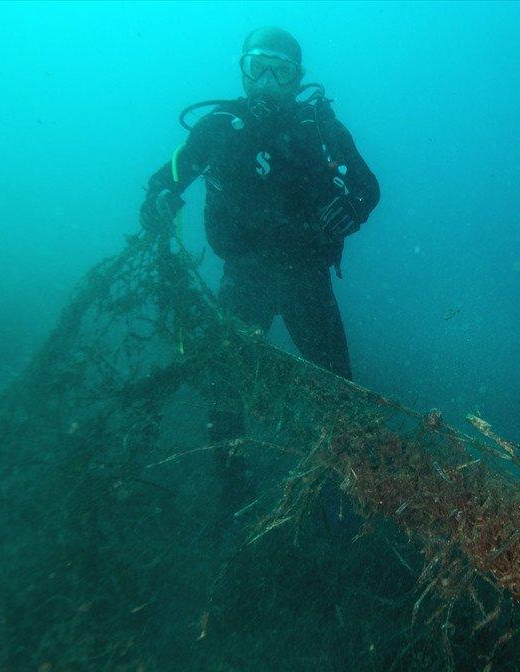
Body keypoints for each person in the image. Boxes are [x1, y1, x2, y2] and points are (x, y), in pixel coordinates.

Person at [138, 27, 380, 526]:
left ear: (298, 78)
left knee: (337, 387)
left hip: (306, 279)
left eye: (281, 70)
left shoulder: (319, 127)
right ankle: (233, 484)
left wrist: (349, 213)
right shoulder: (220, 126)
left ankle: (336, 491)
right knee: (223, 381)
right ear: (243, 71)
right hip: (244, 275)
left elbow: (369, 187)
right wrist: (158, 200)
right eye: (259, 67)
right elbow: (171, 176)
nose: (269, 80)